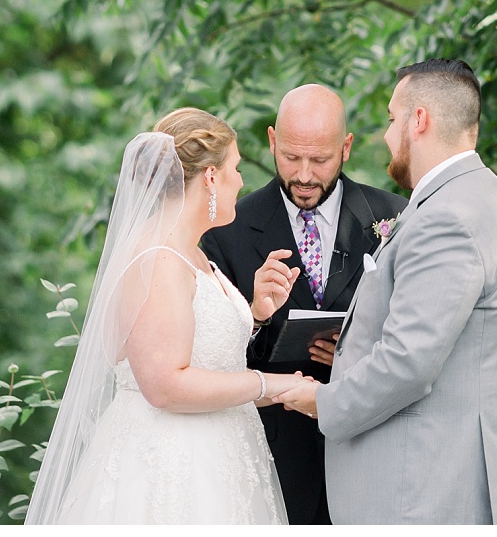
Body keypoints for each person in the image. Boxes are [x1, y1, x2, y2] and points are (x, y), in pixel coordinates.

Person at [279, 59, 497, 524]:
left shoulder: (446, 217)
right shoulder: (486, 196)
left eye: (392, 118)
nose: (386, 134)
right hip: (445, 482)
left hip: (422, 494)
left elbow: (409, 361)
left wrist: (324, 401)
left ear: (419, 121)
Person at [24, 108, 308, 524]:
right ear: (210, 177)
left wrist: (254, 313)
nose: (242, 180)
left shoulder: (191, 252)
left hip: (220, 454)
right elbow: (166, 385)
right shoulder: (158, 259)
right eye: (235, 167)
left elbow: (203, 355)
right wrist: (269, 382)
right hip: (171, 466)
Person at [201, 84, 406, 524]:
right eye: (291, 157)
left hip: (368, 457)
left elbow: (414, 336)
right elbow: (208, 360)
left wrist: (355, 354)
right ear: (273, 141)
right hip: (272, 463)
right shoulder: (226, 229)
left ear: (346, 148)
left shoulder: (395, 216)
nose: (305, 175)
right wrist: (253, 315)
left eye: (320, 159)